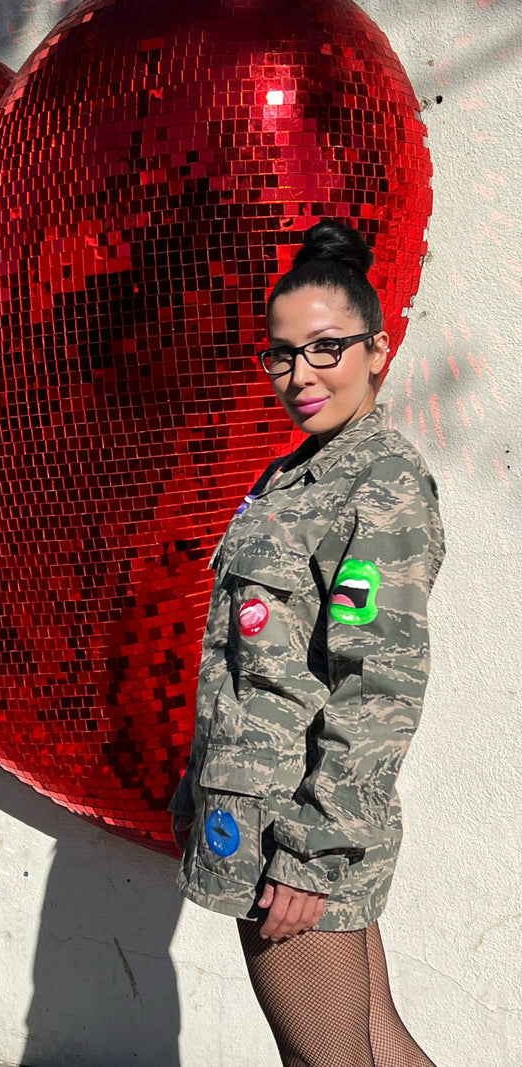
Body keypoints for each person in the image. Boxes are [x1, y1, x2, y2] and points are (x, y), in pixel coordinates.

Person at [169, 220, 444, 1067]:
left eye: (326, 348)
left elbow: (378, 688)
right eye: (283, 354)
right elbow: (258, 661)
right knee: (371, 1046)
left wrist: (311, 855)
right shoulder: (290, 476)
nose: (301, 374)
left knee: (330, 1060)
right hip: (263, 818)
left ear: (377, 347)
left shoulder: (382, 480)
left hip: (296, 831)